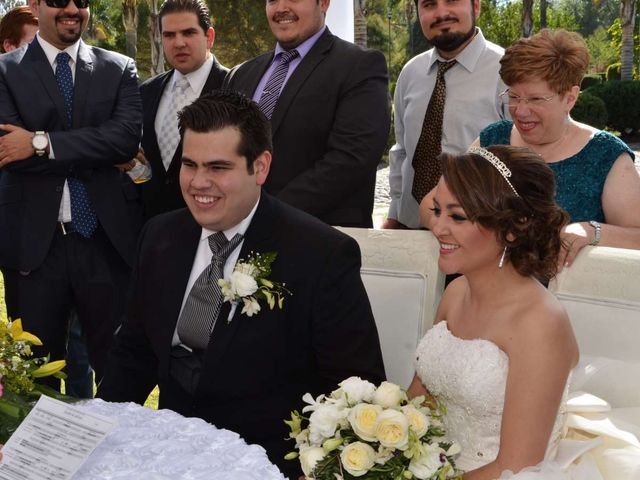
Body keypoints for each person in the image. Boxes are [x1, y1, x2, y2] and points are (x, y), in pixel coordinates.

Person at [98, 91, 386, 479]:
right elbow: (134, 353)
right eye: (189, 164)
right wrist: (95, 430)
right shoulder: (159, 236)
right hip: (169, 457)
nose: (199, 182)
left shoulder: (320, 255)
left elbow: (356, 385)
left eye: (218, 167)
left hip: (268, 464)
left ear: (260, 167)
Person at [410, 145, 614, 478]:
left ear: (513, 227)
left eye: (457, 216)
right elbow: (418, 404)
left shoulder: (540, 323)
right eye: (437, 211)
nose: (438, 228)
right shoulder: (455, 291)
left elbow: (516, 465)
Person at [0, 0, 143, 387]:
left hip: (105, 243)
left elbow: (126, 140)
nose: (71, 8)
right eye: (58, 0)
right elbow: (10, 152)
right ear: (35, 5)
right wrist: (97, 149)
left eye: (82, 1)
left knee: (119, 374)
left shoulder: (118, 68)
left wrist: (42, 142)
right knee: (33, 377)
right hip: (34, 251)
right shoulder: (5, 70)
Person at [474, 29, 640, 267]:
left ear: (570, 98)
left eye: (535, 99)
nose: (520, 111)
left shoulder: (606, 155)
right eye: (513, 97)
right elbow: (436, 205)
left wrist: (591, 232)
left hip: (570, 300)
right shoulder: (493, 138)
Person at [224, 0, 390, 228]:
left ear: (323, 3)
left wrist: (265, 214)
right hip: (236, 233)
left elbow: (351, 159)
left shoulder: (360, 66)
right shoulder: (240, 74)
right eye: (272, 0)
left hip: (320, 240)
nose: (281, 8)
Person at [384, 0, 506, 229]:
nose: (441, 13)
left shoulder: (506, 72)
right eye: (429, 5)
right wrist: (395, 215)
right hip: (411, 229)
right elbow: (401, 151)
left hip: (480, 233)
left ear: (476, 6)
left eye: (451, 1)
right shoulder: (411, 73)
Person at [138, 0, 228, 219]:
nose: (178, 43)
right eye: (169, 35)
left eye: (188, 33)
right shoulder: (146, 91)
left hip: (214, 229)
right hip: (152, 231)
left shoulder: (233, 87)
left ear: (210, 37)